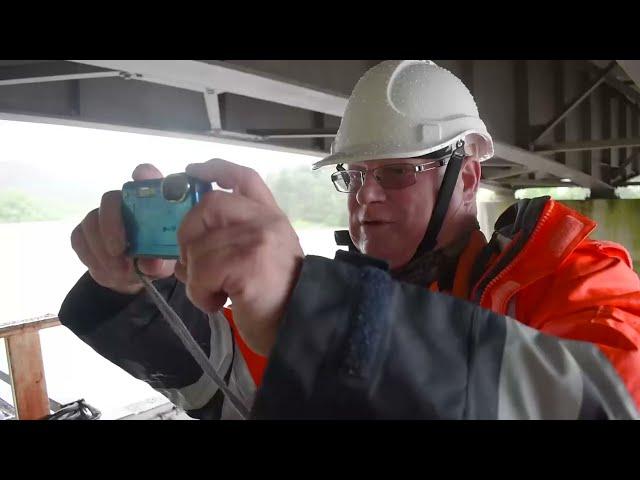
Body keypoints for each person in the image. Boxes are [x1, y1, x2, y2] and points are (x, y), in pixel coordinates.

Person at [59, 60, 640, 419]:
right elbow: (220, 387)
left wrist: (325, 321)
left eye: (395, 172)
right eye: (356, 175)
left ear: (466, 177)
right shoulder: (330, 301)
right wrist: (136, 298)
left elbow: (611, 403)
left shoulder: (573, 277)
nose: (366, 195)